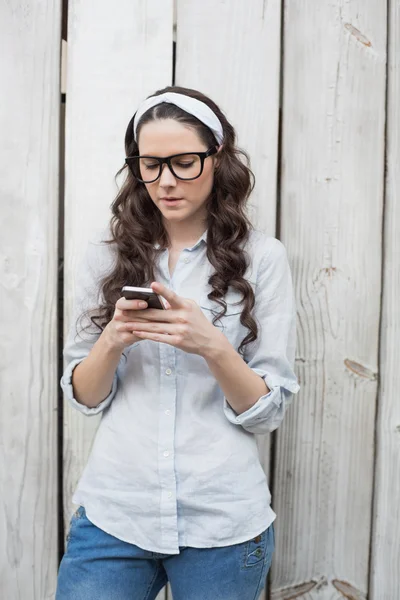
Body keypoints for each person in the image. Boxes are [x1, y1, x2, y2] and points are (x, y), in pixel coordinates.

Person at [55, 86, 300, 600]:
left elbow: (268, 411)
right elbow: (84, 394)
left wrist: (212, 346)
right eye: (150, 164)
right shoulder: (104, 258)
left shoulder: (263, 259)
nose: (165, 181)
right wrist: (114, 341)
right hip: (115, 515)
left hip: (223, 522)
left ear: (218, 160)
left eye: (185, 162)